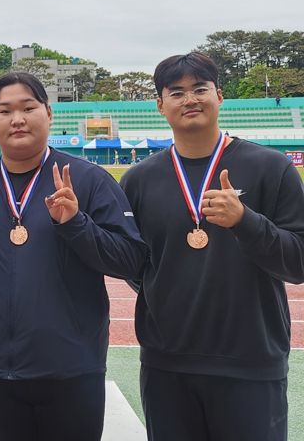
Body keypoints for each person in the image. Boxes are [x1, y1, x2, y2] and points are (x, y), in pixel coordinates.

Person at [120, 52, 304, 441]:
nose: (190, 99)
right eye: (177, 92)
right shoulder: (138, 179)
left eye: (200, 89)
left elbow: (298, 263)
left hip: (251, 362)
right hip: (167, 365)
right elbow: (136, 265)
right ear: (160, 105)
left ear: (219, 96)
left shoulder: (271, 167)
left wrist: (246, 222)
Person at [0, 72, 146, 441]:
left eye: (29, 107)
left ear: (49, 113)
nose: (18, 119)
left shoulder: (89, 180)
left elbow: (132, 260)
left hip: (71, 371)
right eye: (5, 110)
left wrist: (76, 223)